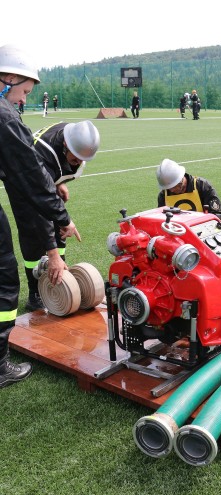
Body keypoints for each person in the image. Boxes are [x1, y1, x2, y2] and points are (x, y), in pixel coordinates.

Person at [0, 44, 81, 389]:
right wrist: (62, 219)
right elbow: (29, 178)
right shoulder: (4, 116)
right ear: (8, 78)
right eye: (24, 92)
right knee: (4, 279)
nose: (23, 100)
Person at [7, 120, 100, 311]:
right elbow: (40, 206)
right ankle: (35, 294)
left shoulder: (74, 134)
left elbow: (48, 176)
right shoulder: (45, 152)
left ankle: (61, 276)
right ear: (66, 144)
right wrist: (52, 254)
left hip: (41, 178)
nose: (80, 163)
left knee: (61, 226)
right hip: (21, 184)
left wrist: (56, 183)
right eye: (76, 158)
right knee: (33, 233)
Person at [156, 158, 221, 219]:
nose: (171, 190)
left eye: (174, 186)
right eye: (168, 187)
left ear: (181, 179)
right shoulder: (163, 195)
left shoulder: (202, 186)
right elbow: (162, 218)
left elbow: (217, 214)